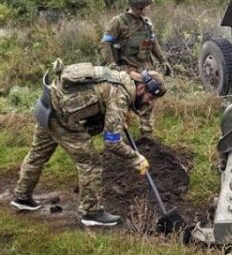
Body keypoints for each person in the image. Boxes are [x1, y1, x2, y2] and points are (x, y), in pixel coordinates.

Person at [11, 60, 167, 227]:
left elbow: (98, 99)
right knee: (91, 162)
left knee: (37, 155)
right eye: (150, 98)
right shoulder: (120, 96)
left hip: (48, 102)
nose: (148, 102)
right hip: (62, 118)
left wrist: (117, 119)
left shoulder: (119, 79)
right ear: (142, 88)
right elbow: (112, 142)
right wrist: (136, 158)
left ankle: (22, 197)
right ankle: (91, 212)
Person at [99, 0, 172, 139]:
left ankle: (147, 135)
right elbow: (105, 44)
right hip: (126, 68)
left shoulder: (146, 23)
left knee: (149, 98)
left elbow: (153, 42)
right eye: (147, 5)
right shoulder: (118, 22)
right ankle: (116, 137)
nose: (149, 8)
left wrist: (163, 60)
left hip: (144, 67)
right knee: (121, 101)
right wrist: (113, 66)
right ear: (140, 6)